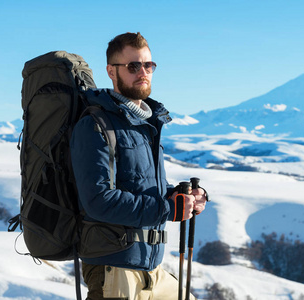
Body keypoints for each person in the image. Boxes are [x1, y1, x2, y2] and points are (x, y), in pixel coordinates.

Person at [70, 32, 207, 300]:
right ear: (111, 71)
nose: (142, 72)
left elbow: (142, 187)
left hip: (151, 266)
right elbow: (99, 200)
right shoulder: (95, 125)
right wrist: (169, 209)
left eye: (148, 65)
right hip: (114, 267)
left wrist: (181, 197)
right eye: (133, 66)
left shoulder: (147, 124)